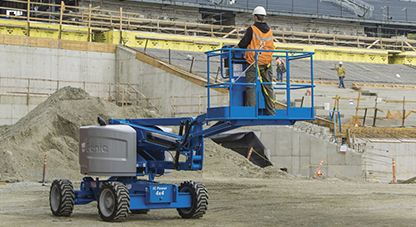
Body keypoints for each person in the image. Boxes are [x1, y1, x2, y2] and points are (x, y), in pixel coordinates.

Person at [233, 6, 275, 116]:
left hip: (253, 62)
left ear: (255, 17)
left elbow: (243, 44)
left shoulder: (252, 29)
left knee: (251, 86)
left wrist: (233, 49)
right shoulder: (269, 31)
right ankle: (271, 112)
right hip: (267, 63)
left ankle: (250, 111)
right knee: (267, 86)